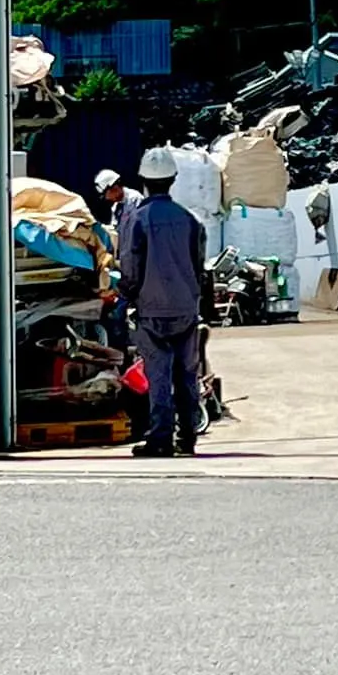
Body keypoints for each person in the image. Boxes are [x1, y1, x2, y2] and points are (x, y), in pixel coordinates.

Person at [117, 165, 209, 458]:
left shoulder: (138, 219)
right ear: (171, 181)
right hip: (185, 309)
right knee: (186, 375)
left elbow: (131, 265)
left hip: (152, 310)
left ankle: (161, 439)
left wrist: (127, 296)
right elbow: (199, 266)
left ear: (143, 181)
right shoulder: (190, 220)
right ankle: (188, 437)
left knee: (159, 376)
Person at [94, 169, 143, 239]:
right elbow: (114, 231)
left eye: (105, 194)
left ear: (114, 187)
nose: (107, 198)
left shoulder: (135, 199)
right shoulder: (115, 208)